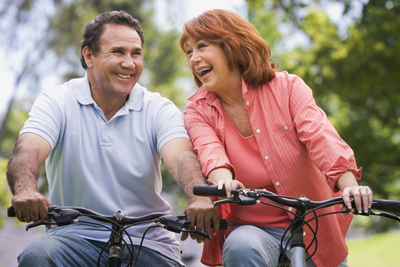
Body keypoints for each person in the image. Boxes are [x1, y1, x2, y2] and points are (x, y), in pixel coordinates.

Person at [6, 10, 219, 267]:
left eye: (136, 53)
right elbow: (28, 148)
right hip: (71, 238)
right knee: (37, 256)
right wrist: (25, 190)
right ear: (89, 56)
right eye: (118, 52)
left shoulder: (158, 108)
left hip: (148, 242)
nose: (129, 63)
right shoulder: (57, 101)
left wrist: (199, 198)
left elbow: (182, 157)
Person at [179, 9, 373, 267]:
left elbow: (322, 139)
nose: (194, 58)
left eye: (202, 46)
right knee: (240, 247)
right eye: (190, 51)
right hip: (252, 229)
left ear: (231, 45)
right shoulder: (197, 110)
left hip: (312, 225)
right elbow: (209, 151)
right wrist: (226, 182)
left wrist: (349, 185)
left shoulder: (288, 87)